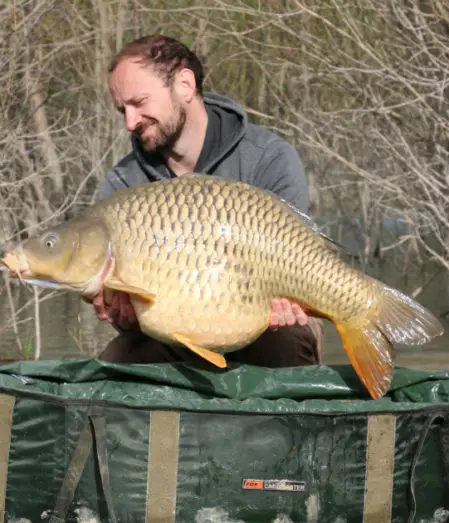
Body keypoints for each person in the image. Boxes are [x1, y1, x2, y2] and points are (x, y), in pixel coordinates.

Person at [88, 34, 324, 367]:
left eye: (139, 102)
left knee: (287, 340)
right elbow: (122, 305)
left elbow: (300, 256)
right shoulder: (123, 185)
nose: (130, 121)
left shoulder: (269, 157)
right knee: (114, 364)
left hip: (264, 319)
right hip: (168, 330)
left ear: (185, 84)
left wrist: (291, 301)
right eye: (122, 109)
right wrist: (121, 315)